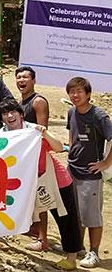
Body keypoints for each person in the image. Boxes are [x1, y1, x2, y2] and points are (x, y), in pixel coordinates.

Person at [0, 99, 82, 271]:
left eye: (13, 111)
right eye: (5, 113)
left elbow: (59, 148)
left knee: (65, 217)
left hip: (55, 179)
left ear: (21, 114)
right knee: (31, 213)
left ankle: (71, 258)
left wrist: (44, 133)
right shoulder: (2, 135)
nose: (10, 116)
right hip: (29, 183)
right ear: (2, 118)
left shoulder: (33, 131)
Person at [64, 77, 112, 268]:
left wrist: (105, 163)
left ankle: (94, 252)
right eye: (71, 92)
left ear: (88, 94)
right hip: (72, 170)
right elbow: (72, 135)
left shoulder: (99, 115)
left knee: (91, 215)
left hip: (91, 174)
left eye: (79, 92)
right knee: (75, 212)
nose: (75, 95)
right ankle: (79, 246)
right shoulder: (70, 112)